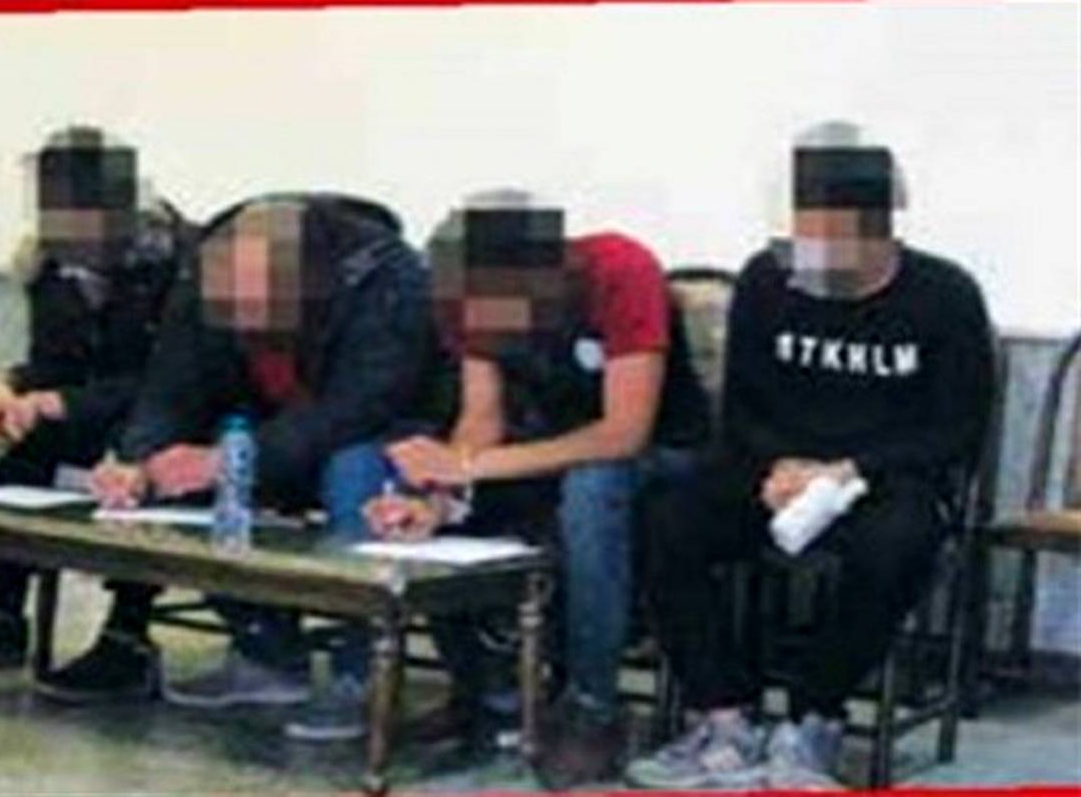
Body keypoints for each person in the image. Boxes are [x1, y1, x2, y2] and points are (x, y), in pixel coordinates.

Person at [626, 127, 996, 790]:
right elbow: (741, 408)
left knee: (898, 545)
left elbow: (957, 429)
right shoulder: (769, 279)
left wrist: (848, 470)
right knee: (667, 517)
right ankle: (724, 717)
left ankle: (813, 717)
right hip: (777, 465)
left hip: (883, 477)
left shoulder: (944, 295)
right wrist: (782, 467)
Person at [71, 192, 453, 742]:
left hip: (387, 433)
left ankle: (363, 673)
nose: (240, 320)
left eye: (256, 302)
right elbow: (170, 383)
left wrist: (227, 460)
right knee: (182, 470)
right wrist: (139, 461)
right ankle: (265, 652)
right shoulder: (207, 275)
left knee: (352, 472)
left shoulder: (388, 281)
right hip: (270, 422)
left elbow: (361, 407)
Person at [365, 191, 710, 788]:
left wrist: (471, 467)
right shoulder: (467, 299)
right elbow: (481, 420)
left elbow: (624, 434)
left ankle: (592, 707)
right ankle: (483, 689)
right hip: (547, 445)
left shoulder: (621, 271)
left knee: (591, 488)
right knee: (435, 498)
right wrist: (439, 497)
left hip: (665, 453)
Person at [0, 126, 188, 674]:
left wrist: (66, 403)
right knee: (25, 437)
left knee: (145, 446)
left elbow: (177, 380)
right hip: (99, 406)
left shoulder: (181, 263)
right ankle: (1, 612)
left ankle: (127, 630)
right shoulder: (51, 265)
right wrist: (6, 386)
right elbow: (53, 362)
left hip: (174, 415)